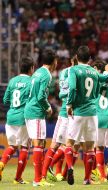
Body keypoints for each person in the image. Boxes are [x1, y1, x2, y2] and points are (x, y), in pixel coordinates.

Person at [64, 46, 108, 185]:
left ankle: (70, 167)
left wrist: (69, 105)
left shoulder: (73, 70)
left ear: (76, 57)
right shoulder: (93, 71)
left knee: (69, 143)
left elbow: (73, 88)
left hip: (78, 113)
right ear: (90, 59)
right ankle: (87, 179)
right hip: (93, 114)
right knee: (90, 148)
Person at [24, 49, 58, 187]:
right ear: (53, 62)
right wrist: (48, 107)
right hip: (36, 112)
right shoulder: (46, 75)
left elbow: (29, 92)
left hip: (29, 110)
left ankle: (39, 178)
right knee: (38, 144)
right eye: (56, 61)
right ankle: (38, 180)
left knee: (40, 144)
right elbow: (40, 96)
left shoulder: (37, 72)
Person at [41, 57, 77, 182]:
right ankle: (47, 171)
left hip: (68, 112)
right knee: (64, 145)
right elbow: (63, 92)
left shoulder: (64, 72)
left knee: (62, 145)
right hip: (75, 114)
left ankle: (51, 171)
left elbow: (62, 93)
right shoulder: (75, 72)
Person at [0, 57, 35, 184]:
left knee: (12, 146)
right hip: (23, 118)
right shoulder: (32, 81)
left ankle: (1, 163)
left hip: (10, 117)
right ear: (31, 68)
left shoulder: (12, 81)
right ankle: (18, 177)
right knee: (25, 146)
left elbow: (5, 100)